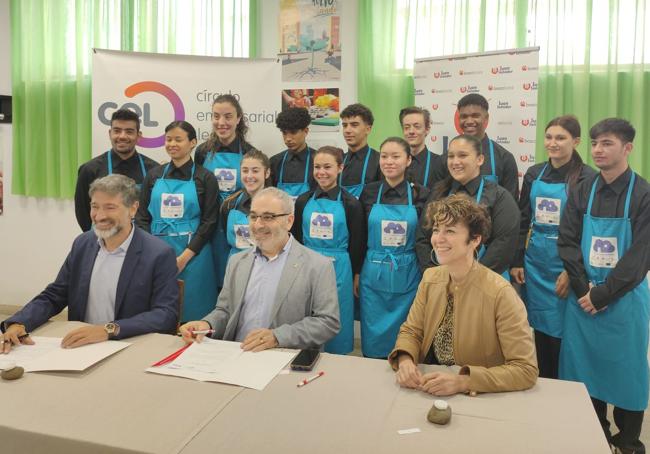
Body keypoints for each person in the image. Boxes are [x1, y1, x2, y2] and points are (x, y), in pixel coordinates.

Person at [1, 175, 179, 352]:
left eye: (110, 207)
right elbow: (55, 295)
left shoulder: (158, 253)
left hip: (130, 345)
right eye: (95, 207)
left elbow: (165, 314)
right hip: (81, 347)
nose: (99, 216)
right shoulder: (83, 244)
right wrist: (19, 322)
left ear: (133, 209)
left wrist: (109, 329)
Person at [558, 118, 650, 454]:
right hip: (584, 300)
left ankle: (627, 442)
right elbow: (567, 242)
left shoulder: (643, 194)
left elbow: (641, 254)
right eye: (595, 143)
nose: (598, 149)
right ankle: (594, 435)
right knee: (585, 372)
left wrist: (604, 293)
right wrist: (585, 290)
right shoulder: (582, 189)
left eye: (607, 143)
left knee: (628, 373)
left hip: (623, 300)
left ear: (627, 148)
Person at [388, 194, 538, 395]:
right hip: (430, 386)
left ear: (475, 240)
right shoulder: (430, 278)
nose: (438, 239)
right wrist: (405, 360)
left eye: (449, 231)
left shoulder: (501, 293)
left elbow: (525, 369)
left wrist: (464, 382)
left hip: (481, 399)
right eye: (435, 230)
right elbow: (412, 331)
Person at [179, 187, 340, 351]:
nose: (258, 225)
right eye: (253, 216)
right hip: (237, 353)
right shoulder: (237, 262)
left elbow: (327, 322)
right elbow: (225, 311)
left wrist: (278, 337)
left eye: (268, 217)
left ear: (289, 221)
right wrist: (206, 324)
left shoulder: (318, 266)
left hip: (284, 358)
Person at [510, 115, 596, 379]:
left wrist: (573, 272)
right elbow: (523, 219)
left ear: (576, 141)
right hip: (536, 264)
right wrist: (517, 260)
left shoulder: (587, 177)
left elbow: (587, 230)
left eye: (560, 138)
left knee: (564, 331)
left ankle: (568, 388)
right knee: (539, 328)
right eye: (549, 137)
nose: (553, 143)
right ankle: (545, 382)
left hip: (565, 264)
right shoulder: (535, 173)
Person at [136, 121, 220, 322]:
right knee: (157, 311)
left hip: (194, 253)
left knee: (193, 314)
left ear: (192, 143)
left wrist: (184, 257)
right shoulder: (153, 176)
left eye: (178, 139)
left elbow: (210, 221)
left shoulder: (205, 178)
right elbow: (141, 218)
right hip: (156, 250)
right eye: (168, 139)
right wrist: (150, 251)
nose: (172, 144)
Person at [358, 137, 429, 358]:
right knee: (372, 334)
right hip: (373, 272)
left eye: (396, 156)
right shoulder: (369, 192)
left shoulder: (422, 195)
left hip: (407, 272)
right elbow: (359, 236)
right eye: (384, 156)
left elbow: (425, 238)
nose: (389, 161)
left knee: (407, 332)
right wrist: (357, 272)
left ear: (408, 160)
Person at [292, 146, 367, 354]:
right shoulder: (303, 201)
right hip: (306, 263)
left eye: (327, 167)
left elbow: (357, 241)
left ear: (340, 168)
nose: (321, 172)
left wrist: (355, 274)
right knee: (306, 311)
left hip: (340, 266)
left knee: (338, 312)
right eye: (317, 167)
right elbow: (296, 236)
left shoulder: (351, 204)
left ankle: (338, 354)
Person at [415, 135, 519, 278]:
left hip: (484, 281)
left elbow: (503, 246)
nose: (455, 162)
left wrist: (469, 278)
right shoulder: (439, 193)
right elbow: (422, 237)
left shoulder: (500, 197)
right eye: (451, 156)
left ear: (480, 159)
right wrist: (436, 275)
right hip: (442, 279)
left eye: (463, 155)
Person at [195, 94, 258, 290]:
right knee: (210, 281)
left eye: (228, 117)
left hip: (237, 228)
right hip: (208, 225)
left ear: (238, 119)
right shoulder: (202, 151)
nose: (221, 122)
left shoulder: (249, 152)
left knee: (238, 282)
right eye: (216, 116)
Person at [75, 109, 158, 231]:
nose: (122, 136)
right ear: (110, 133)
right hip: (104, 240)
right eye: (117, 131)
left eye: (129, 132)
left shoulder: (153, 170)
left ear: (138, 136)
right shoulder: (90, 170)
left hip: (143, 242)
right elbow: (83, 213)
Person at [439, 94, 519, 200]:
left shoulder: (504, 158)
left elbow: (511, 203)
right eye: (464, 117)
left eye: (475, 115)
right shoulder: (447, 159)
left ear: (486, 118)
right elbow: (438, 198)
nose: (469, 121)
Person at [221, 149, 271, 258]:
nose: (249, 176)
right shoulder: (230, 204)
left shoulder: (277, 205)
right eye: (245, 170)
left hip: (267, 264)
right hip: (237, 264)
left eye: (255, 171)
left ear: (267, 173)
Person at [270, 107, 316, 200]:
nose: (288, 138)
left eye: (293, 132)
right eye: (284, 133)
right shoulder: (274, 162)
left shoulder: (318, 161)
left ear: (306, 131)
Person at [339, 103, 381, 198]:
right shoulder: (338, 160)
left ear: (368, 129)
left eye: (354, 125)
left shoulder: (379, 161)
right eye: (345, 125)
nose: (347, 130)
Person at [399, 106, 445, 189]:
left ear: (427, 129)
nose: (411, 131)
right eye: (407, 127)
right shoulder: (395, 161)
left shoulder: (438, 163)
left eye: (417, 126)